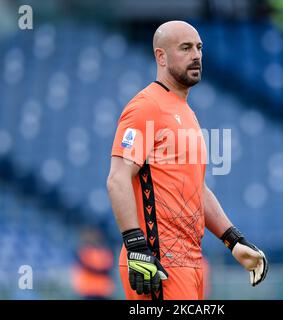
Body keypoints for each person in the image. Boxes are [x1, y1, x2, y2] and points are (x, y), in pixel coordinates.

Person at [107, 20, 268, 300]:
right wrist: (136, 247)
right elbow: (117, 179)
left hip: (190, 263)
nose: (196, 55)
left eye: (199, 47)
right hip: (158, 263)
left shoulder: (185, 112)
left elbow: (196, 189)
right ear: (161, 56)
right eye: (185, 48)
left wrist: (233, 240)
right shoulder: (146, 107)